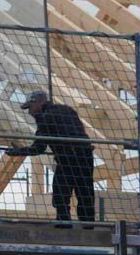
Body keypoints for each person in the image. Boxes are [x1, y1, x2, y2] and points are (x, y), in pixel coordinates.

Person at [5, 90, 95, 223]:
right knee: (85, 193)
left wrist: (19, 152)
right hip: (85, 156)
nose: (30, 112)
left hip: (68, 158)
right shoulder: (67, 110)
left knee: (60, 194)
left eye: (30, 107)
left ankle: (63, 224)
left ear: (38, 103)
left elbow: (38, 148)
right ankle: (88, 226)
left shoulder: (45, 118)